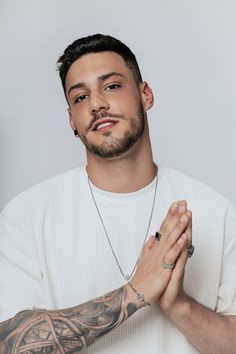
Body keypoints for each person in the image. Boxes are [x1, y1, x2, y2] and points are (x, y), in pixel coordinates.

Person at [0, 34, 236, 354]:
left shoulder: (217, 212)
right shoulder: (26, 214)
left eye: (111, 86)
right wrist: (135, 292)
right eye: (80, 97)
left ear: (145, 94)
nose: (97, 103)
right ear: (72, 119)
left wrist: (180, 306)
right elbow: (9, 344)